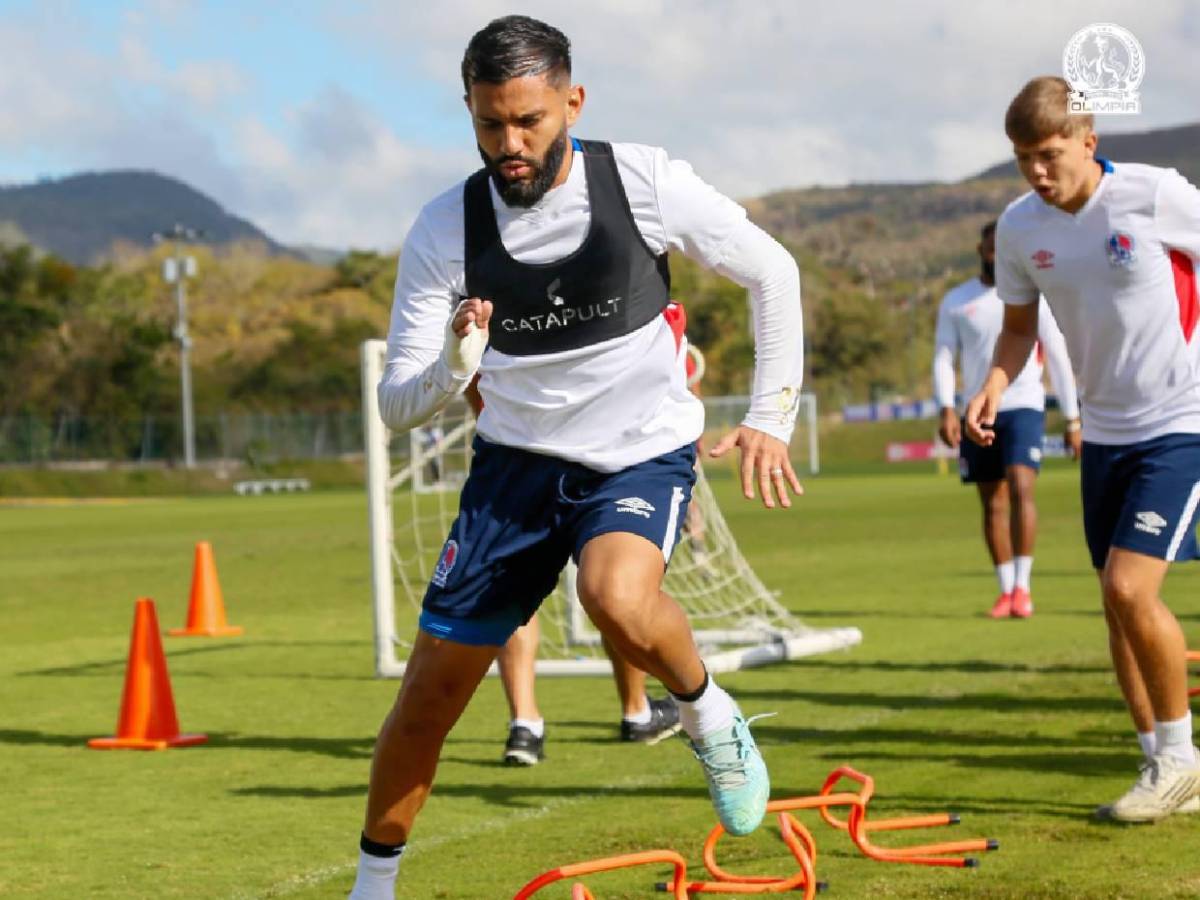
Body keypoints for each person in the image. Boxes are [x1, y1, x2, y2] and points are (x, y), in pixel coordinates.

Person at [350, 16, 806, 897]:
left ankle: (707, 710)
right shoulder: (445, 227)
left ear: (572, 100)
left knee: (615, 596)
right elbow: (396, 404)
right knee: (427, 703)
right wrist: (455, 366)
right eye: (489, 125)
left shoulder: (643, 181)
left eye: (529, 121)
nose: (510, 145)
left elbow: (772, 272)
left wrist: (770, 416)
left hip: (637, 456)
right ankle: (374, 887)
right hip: (513, 473)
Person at [965, 75, 1200, 823]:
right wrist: (994, 384)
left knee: (1133, 590)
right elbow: (1017, 328)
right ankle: (1158, 763)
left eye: (1049, 153)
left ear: (1089, 142)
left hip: (1182, 422)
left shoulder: (1156, 195)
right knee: (1116, 606)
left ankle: (1179, 761)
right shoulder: (1017, 229)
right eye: (1022, 157)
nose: (1037, 169)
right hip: (1103, 434)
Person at [934, 219, 1081, 619]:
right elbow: (944, 356)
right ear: (982, 250)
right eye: (991, 246)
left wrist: (1072, 419)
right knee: (992, 503)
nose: (997, 253)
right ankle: (1004, 591)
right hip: (977, 410)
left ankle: (1023, 586)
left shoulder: (1034, 297)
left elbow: (1059, 358)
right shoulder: (956, 300)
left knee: (1021, 487)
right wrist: (947, 407)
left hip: (1023, 406)